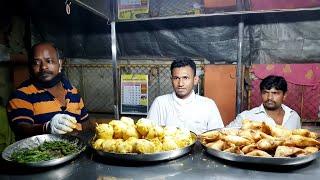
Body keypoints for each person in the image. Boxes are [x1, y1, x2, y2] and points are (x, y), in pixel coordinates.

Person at [7, 42, 89, 140]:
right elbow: (22, 129)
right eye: (36, 63)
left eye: (49, 61)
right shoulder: (21, 95)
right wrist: (47, 127)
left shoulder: (73, 91)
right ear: (30, 67)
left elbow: (85, 123)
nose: (43, 67)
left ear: (60, 63)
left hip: (76, 150)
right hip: (41, 154)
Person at [147, 57, 224, 134]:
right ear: (171, 80)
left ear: (195, 80)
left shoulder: (208, 105)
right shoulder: (160, 103)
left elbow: (218, 137)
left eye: (185, 78)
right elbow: (149, 134)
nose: (180, 84)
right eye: (176, 78)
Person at [227, 75, 301, 130]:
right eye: (265, 93)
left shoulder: (293, 117)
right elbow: (223, 134)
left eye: (275, 93)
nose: (269, 97)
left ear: (284, 95)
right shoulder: (246, 117)